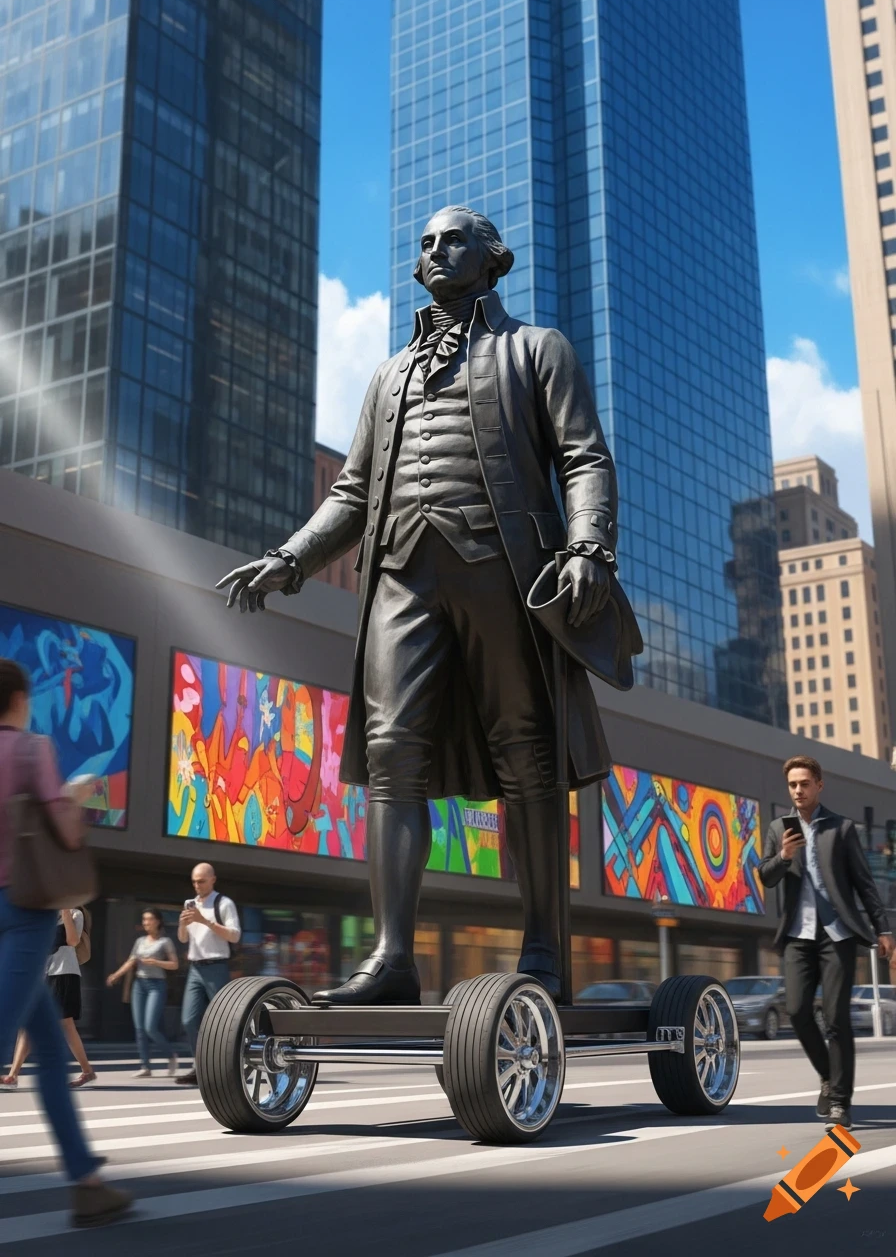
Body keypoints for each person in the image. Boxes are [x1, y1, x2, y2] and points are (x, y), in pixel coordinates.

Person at [217, 205, 637, 1006]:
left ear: (492, 258)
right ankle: (392, 959)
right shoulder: (388, 375)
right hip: (402, 581)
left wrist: (588, 547)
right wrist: (290, 558)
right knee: (390, 757)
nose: (435, 250)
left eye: (454, 239)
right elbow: (350, 493)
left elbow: (584, 457)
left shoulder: (535, 350)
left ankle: (544, 948)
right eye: (426, 243)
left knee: (529, 756)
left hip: (505, 576)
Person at [0, 658, 131, 1226]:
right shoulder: (31, 749)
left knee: (50, 1055)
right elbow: (66, 828)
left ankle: (86, 1182)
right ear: (20, 699)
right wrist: (76, 793)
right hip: (23, 909)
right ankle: (86, 1183)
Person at [759, 755, 895, 1131]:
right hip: (797, 937)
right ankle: (828, 1076)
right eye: (792, 785)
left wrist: (883, 930)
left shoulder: (842, 828)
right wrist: (784, 856)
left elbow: (865, 884)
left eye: (804, 783)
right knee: (799, 1011)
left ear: (819, 785)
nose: (798, 790)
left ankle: (840, 1102)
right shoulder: (777, 829)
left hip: (837, 935)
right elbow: (765, 876)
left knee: (836, 1020)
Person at [2, 906, 98, 1089]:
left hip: (64, 973)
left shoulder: (75, 914)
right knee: (27, 1024)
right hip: (40, 975)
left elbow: (72, 940)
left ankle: (87, 1071)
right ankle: (13, 1075)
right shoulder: (45, 916)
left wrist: (65, 913)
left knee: (66, 1024)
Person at [174, 862, 240, 1085]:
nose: (197, 885)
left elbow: (235, 936)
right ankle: (199, 1067)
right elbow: (183, 938)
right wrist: (183, 925)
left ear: (213, 879)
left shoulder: (224, 903)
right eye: (193, 881)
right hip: (195, 968)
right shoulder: (189, 903)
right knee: (189, 1020)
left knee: (223, 1022)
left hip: (216, 967)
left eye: (201, 881)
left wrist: (205, 921)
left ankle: (229, 1068)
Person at [107, 908, 179, 1078]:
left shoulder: (165, 942)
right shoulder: (139, 941)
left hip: (157, 985)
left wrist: (156, 962)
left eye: (149, 919)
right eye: (144, 919)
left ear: (158, 921)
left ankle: (171, 1054)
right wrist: (116, 975)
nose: (146, 922)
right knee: (139, 1028)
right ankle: (145, 1066)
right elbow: (131, 961)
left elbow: (175, 964)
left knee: (150, 1027)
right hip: (139, 985)